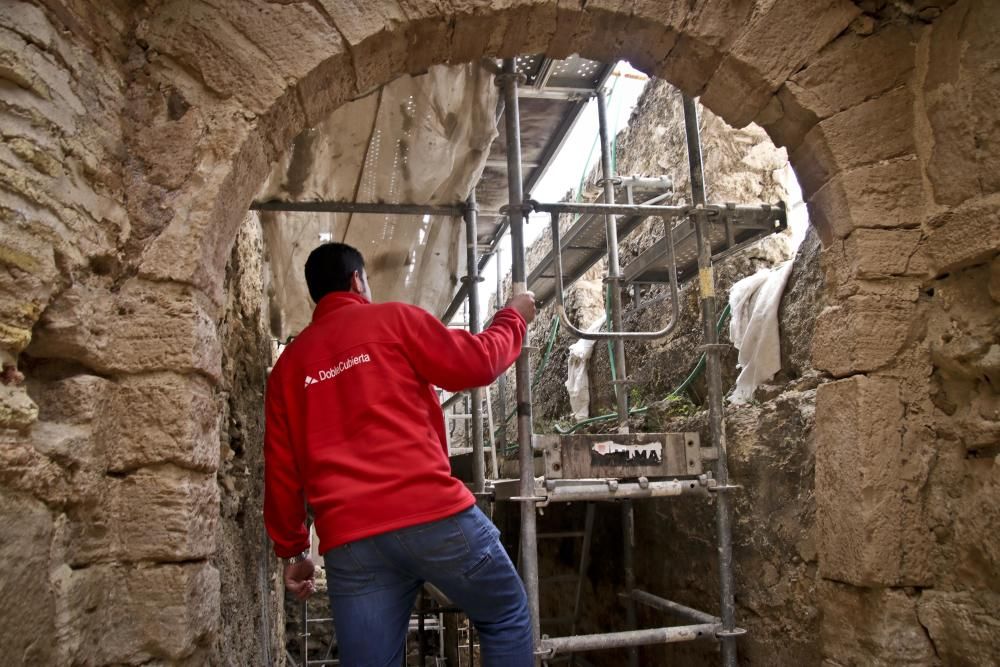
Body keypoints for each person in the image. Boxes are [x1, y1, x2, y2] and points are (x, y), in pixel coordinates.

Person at [264, 242, 537, 666]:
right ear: (357, 280)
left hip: (351, 543)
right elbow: (477, 363)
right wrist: (513, 317)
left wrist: (294, 551)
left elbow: (281, 473)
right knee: (504, 615)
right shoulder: (393, 320)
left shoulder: (287, 370)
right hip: (432, 513)